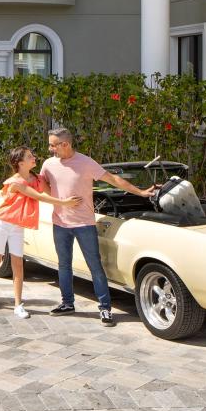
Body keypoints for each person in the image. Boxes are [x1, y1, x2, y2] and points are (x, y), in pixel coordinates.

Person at [40, 126, 156, 325]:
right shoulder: (49, 164)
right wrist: (58, 200)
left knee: (95, 267)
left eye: (53, 145)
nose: (50, 149)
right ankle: (67, 303)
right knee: (63, 265)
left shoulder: (85, 162)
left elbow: (113, 180)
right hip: (60, 223)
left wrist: (141, 192)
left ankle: (105, 308)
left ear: (65, 144)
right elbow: (41, 184)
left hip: (84, 224)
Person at [0, 146, 80, 319]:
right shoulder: (15, 182)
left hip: (18, 225)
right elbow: (38, 196)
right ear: (20, 163)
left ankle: (18, 305)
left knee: (18, 263)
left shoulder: (37, 179)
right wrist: (65, 204)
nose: (34, 157)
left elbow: (52, 192)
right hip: (3, 222)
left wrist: (68, 199)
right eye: (29, 156)